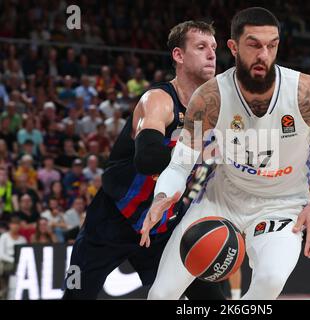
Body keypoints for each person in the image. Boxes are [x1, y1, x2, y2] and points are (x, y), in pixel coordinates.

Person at [142, 7, 310, 300]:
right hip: (222, 199)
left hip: (282, 204)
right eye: (254, 44)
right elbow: (180, 164)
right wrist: (163, 196)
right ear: (233, 47)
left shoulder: (308, 94)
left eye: (272, 45)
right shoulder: (210, 97)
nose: (264, 54)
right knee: (160, 295)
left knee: (269, 280)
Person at [63, 20, 223, 299]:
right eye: (201, 47)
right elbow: (148, 158)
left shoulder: (215, 109)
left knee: (212, 298)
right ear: (178, 55)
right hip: (114, 218)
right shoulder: (158, 99)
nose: (211, 54)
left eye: (214, 47)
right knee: (76, 295)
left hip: (164, 224)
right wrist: (187, 152)